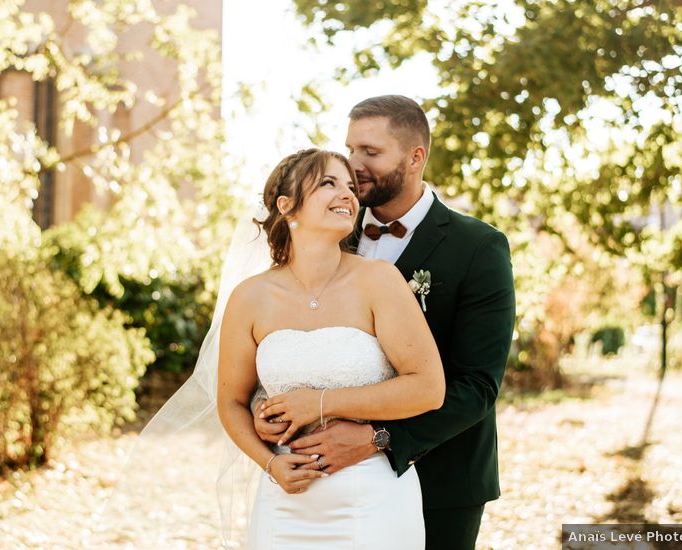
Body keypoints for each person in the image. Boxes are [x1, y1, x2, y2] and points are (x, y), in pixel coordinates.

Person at [253, 95, 516, 550]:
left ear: (415, 158)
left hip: (442, 476)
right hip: (313, 483)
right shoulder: (327, 229)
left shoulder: (478, 248)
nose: (353, 166)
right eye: (351, 149)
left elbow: (477, 385)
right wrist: (269, 411)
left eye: (370, 153)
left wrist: (381, 439)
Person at [217, 148, 446, 549]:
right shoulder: (250, 297)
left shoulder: (379, 281)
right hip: (285, 504)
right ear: (287, 207)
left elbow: (428, 387)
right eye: (328, 183)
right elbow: (231, 402)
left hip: (374, 499)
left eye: (350, 187)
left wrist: (319, 402)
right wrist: (270, 461)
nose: (348, 195)